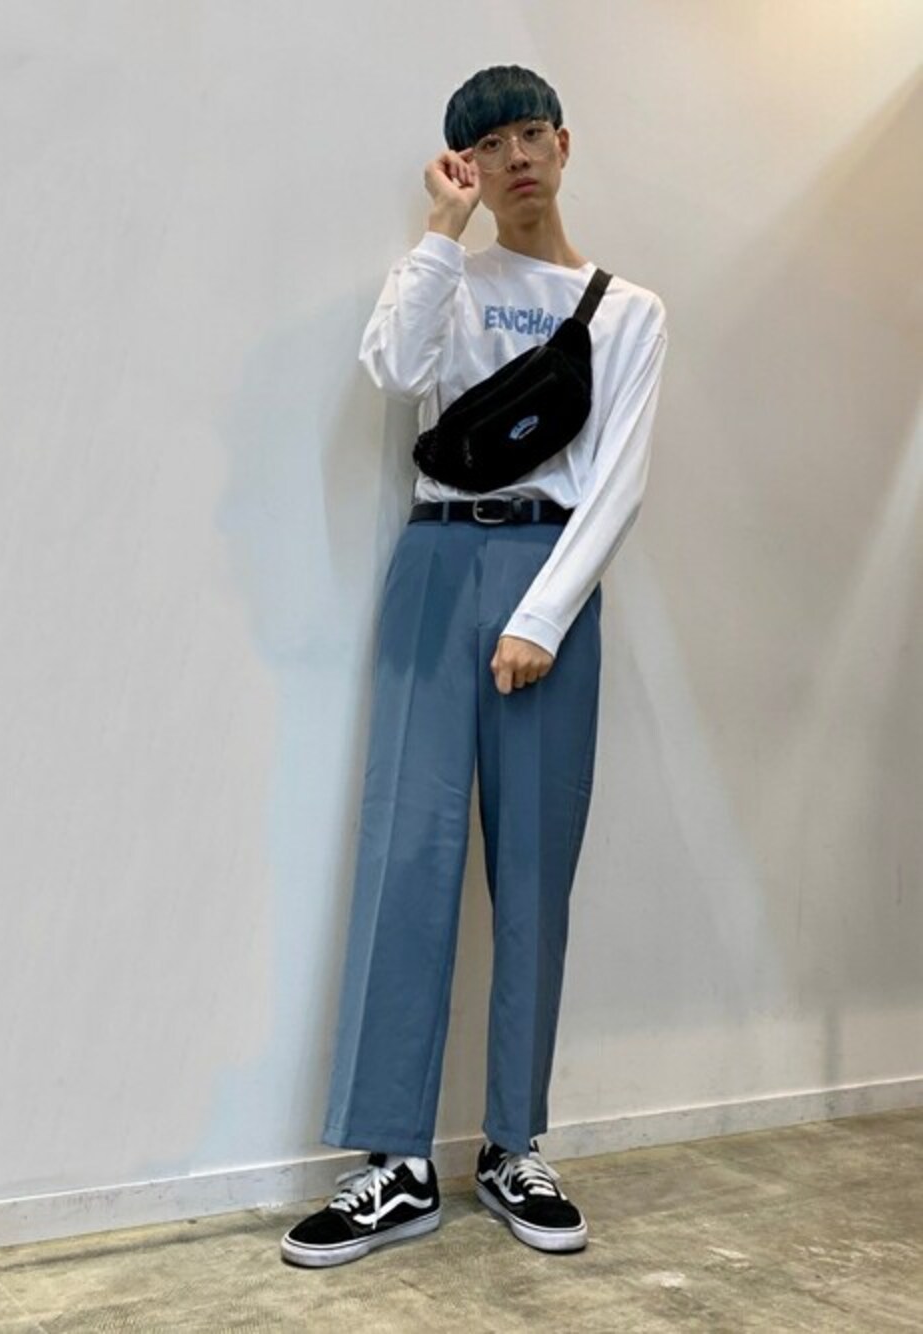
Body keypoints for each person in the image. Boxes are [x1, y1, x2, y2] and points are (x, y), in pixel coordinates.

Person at [281, 64, 668, 1268]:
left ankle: (513, 1143)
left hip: (550, 576)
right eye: (487, 145)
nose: (514, 158)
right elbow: (395, 372)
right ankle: (393, 1160)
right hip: (435, 564)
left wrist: (543, 615)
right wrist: (440, 235)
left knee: (534, 873)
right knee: (405, 851)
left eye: (529, 134)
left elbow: (618, 480)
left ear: (564, 143)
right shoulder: (448, 272)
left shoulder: (629, 312)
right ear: (465, 165)